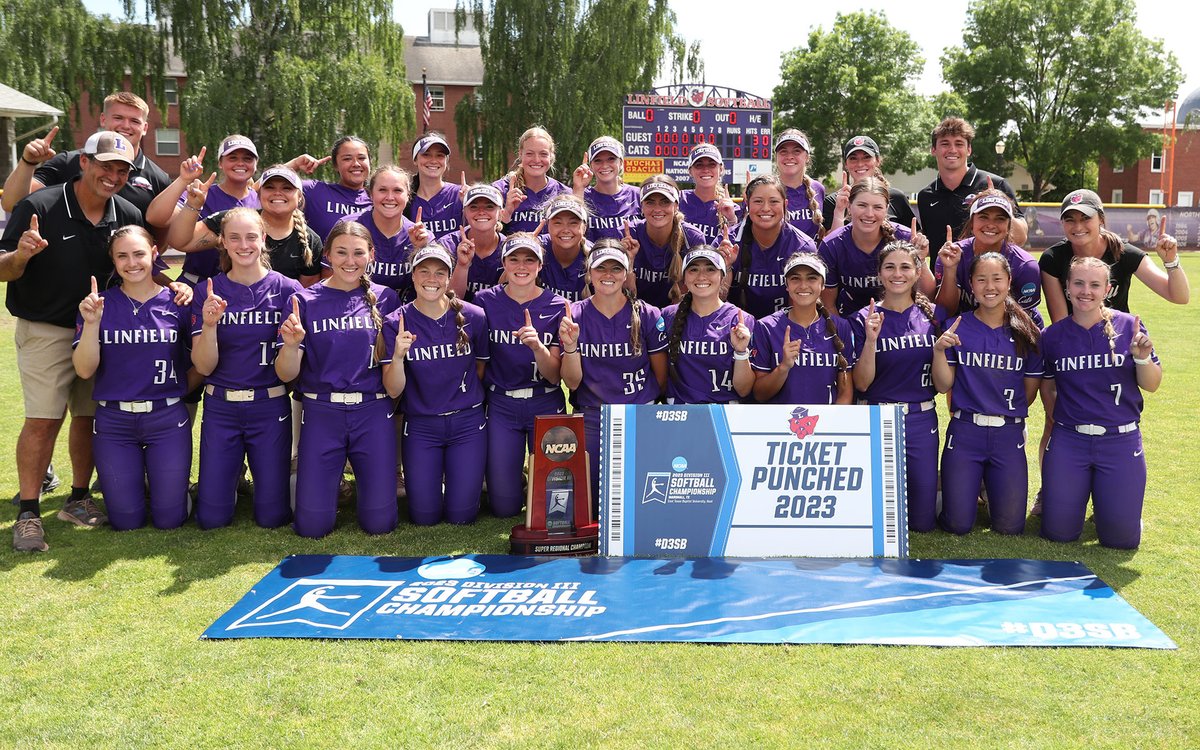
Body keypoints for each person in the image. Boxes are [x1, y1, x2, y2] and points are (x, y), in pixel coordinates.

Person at [2, 132, 190, 552]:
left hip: (104, 327)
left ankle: (77, 498)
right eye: (105, 166)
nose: (113, 176)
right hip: (48, 326)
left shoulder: (124, 210)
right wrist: (22, 256)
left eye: (122, 170)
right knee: (43, 419)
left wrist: (172, 286)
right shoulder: (42, 204)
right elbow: (3, 268)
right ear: (83, 163)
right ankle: (29, 512)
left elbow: (137, 260)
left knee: (89, 415)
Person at [275, 222, 400, 538]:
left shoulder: (385, 299)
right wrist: (291, 346)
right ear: (327, 254)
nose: (350, 261)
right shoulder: (305, 300)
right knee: (312, 527)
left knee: (380, 525)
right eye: (341, 252)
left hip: (372, 412)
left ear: (371, 255)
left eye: (358, 253)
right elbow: (286, 374)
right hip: (322, 413)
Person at [71, 226, 193, 531]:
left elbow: (201, 361)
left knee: (170, 520)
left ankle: (176, 495)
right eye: (122, 256)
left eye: (139, 253)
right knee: (127, 521)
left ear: (154, 254)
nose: (132, 262)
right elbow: (84, 370)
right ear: (113, 261)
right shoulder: (98, 304)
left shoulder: (176, 302)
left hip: (166, 417)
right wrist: (91, 325)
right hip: (115, 421)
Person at [1039, 256, 1162, 549]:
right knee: (1058, 534)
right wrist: (1061, 423)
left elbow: (1152, 383)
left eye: (1095, 285)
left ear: (1108, 289)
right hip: (1071, 439)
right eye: (1078, 283)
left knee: (1120, 540)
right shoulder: (1053, 336)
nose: (1086, 291)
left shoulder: (1129, 325)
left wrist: (1142, 357)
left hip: (1119, 440)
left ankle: (1125, 514)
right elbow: (1048, 388)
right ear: (1067, 287)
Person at [190, 208, 303, 529]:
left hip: (269, 406)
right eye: (234, 237)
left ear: (263, 239)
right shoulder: (208, 291)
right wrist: (210, 326)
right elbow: (203, 365)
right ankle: (228, 486)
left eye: (251, 236)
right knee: (212, 518)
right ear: (222, 242)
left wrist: (292, 343)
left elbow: (290, 373)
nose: (244, 245)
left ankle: (268, 486)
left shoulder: (287, 290)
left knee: (273, 517)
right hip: (221, 405)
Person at [932, 252, 1043, 536]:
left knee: (1010, 527)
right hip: (966, 429)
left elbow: (1027, 395)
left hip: (1007, 434)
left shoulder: (1027, 330)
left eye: (997, 279)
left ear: (1009, 282)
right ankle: (953, 487)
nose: (989, 286)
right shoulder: (958, 325)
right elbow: (945, 386)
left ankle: (984, 486)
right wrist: (940, 351)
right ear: (970, 284)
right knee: (957, 525)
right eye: (981, 279)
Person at [381, 244, 490, 525]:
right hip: (421, 426)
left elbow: (479, 369)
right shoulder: (396, 322)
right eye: (424, 272)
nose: (432, 279)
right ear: (413, 276)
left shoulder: (473, 316)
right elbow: (393, 390)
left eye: (440, 273)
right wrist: (397, 356)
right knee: (423, 516)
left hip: (467, 423)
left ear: (449, 277)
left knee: (461, 515)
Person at [559, 241, 667, 507]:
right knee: (595, 505)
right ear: (589, 273)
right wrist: (571, 347)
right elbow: (571, 382)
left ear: (627, 271)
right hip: (595, 416)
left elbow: (661, 376)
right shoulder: (574, 315)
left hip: (639, 413)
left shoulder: (648, 314)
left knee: (644, 500)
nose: (608, 274)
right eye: (601, 268)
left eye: (616, 268)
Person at [473, 235, 568, 516]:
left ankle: (536, 480)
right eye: (514, 258)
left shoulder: (557, 305)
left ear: (540, 266)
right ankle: (519, 480)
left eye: (529, 259)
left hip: (545, 399)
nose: (521, 266)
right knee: (504, 507)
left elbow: (554, 376)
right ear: (503, 263)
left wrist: (537, 347)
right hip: (502, 403)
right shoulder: (484, 300)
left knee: (555, 506)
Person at [851, 241, 942, 532]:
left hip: (920, 418)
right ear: (879, 273)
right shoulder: (863, 318)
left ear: (917, 272)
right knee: (872, 516)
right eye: (889, 267)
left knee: (921, 522)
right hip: (877, 417)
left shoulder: (933, 316)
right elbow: (862, 383)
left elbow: (942, 385)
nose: (897, 274)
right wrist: (870, 340)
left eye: (905, 267)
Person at [2, 92, 171, 216]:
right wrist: (28, 163)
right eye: (118, 118)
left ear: (145, 128)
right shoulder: (68, 162)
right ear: (103, 119)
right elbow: (12, 204)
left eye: (134, 121)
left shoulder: (158, 178)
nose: (126, 126)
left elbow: (161, 233)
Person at [1040, 189, 1188, 323]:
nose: (1078, 226)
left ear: (1101, 220)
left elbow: (1179, 297)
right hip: (1077, 346)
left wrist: (1171, 262)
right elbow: (1061, 324)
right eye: (1070, 220)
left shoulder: (1123, 253)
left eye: (1086, 218)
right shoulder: (1053, 259)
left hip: (1118, 343)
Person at [168, 165, 322, 286]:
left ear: (299, 197)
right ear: (259, 194)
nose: (277, 193)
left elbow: (304, 295)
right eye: (270, 187)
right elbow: (180, 242)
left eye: (286, 188)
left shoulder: (310, 241)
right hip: (228, 312)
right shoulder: (232, 221)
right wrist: (193, 205)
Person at [146, 135, 261, 286]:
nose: (240, 163)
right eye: (232, 158)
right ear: (220, 163)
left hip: (243, 288)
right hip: (197, 284)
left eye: (247, 158)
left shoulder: (260, 199)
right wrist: (183, 180)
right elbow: (154, 217)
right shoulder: (201, 193)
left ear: (256, 163)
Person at [819, 177, 930, 317]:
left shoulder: (905, 238)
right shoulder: (832, 245)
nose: (869, 214)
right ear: (849, 206)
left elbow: (929, 294)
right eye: (862, 205)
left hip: (901, 321)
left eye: (877, 207)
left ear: (886, 209)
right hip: (851, 321)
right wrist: (843, 334)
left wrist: (921, 260)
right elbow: (828, 304)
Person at [752, 253, 854, 405]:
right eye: (795, 278)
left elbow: (845, 391)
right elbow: (759, 394)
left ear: (823, 284)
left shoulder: (841, 327)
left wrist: (833, 425)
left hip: (827, 425)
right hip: (780, 425)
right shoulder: (766, 327)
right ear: (786, 285)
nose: (803, 285)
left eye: (812, 278)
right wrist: (784, 367)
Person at [934, 190, 1043, 326]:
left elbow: (1024, 323)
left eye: (1000, 218)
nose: (991, 224)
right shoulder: (952, 255)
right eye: (983, 217)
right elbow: (945, 313)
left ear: (1009, 225)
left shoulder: (1025, 265)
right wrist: (950, 269)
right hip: (962, 335)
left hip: (1012, 334)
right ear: (972, 221)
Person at [661, 247, 755, 404]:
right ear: (684, 277)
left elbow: (744, 390)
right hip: (680, 415)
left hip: (724, 416)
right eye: (694, 269)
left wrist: (740, 352)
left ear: (722, 276)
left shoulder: (741, 320)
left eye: (710, 269)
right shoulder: (667, 316)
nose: (701, 276)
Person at [916, 117, 1028, 249]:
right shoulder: (926, 196)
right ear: (933, 150)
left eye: (959, 144)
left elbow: (1021, 238)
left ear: (969, 149)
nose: (952, 150)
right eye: (945, 144)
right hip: (943, 269)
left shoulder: (996, 184)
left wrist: (995, 201)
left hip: (986, 269)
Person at [728, 174, 819, 320]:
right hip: (736, 327)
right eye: (758, 201)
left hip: (783, 329)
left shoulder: (803, 246)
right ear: (747, 203)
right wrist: (725, 266)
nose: (765, 208)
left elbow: (804, 305)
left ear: (785, 204)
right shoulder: (728, 241)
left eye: (774, 201)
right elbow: (715, 301)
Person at [623, 175, 706, 308]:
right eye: (650, 202)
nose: (657, 209)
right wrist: (629, 262)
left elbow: (698, 293)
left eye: (665, 201)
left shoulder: (692, 238)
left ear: (676, 206)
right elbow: (624, 295)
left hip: (678, 315)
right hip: (636, 314)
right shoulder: (629, 235)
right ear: (641, 206)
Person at [822, 135, 916, 232]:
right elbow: (831, 244)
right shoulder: (834, 201)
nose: (860, 164)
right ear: (846, 164)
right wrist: (839, 210)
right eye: (853, 158)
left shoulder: (896, 197)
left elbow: (913, 237)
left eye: (866, 157)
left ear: (878, 161)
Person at [288, 135, 373, 241]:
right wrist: (295, 164)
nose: (356, 163)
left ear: (369, 162)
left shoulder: (380, 199)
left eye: (361, 158)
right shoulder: (315, 192)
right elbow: (265, 189)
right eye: (347, 159)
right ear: (335, 165)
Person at [494, 126, 570, 234]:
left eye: (543, 154)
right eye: (530, 153)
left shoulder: (564, 194)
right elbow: (488, 239)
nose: (536, 160)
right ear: (520, 154)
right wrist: (507, 213)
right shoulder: (499, 191)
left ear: (551, 156)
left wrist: (579, 190)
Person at [441, 184, 508, 301]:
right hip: (456, 316)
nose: (481, 212)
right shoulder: (448, 245)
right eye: (474, 207)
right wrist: (462, 265)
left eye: (489, 206)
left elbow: (504, 303)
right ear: (464, 212)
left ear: (501, 213)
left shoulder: (509, 249)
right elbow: (447, 301)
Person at [572, 136, 641, 242]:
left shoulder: (638, 195)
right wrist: (578, 188)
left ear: (621, 162)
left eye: (611, 159)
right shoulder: (582, 196)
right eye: (598, 160)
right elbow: (573, 232)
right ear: (591, 165)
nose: (604, 165)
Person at [678, 143, 739, 244]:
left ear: (721, 169)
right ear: (690, 171)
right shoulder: (678, 199)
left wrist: (731, 219)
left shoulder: (733, 209)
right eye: (699, 165)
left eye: (712, 164)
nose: (706, 170)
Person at [407, 132, 463, 238]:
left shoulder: (459, 195)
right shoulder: (405, 199)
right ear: (415, 159)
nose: (433, 161)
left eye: (439, 155)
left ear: (446, 161)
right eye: (426, 155)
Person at [538, 194, 592, 302]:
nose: (565, 230)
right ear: (547, 225)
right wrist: (524, 247)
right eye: (558, 223)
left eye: (573, 223)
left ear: (584, 227)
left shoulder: (595, 256)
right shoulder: (536, 248)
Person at [774, 129, 825, 240]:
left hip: (810, 256)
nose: (789, 156)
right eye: (783, 151)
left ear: (807, 157)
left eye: (796, 151)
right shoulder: (765, 190)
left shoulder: (818, 189)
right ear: (776, 157)